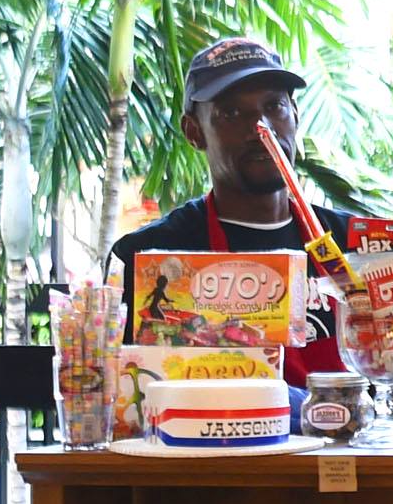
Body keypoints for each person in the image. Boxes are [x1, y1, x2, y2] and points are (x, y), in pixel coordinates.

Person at [110, 36, 355, 385]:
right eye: (232, 113)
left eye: (274, 107)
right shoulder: (145, 257)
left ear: (296, 115)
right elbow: (125, 401)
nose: (261, 129)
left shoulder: (354, 247)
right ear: (193, 131)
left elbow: (392, 399)